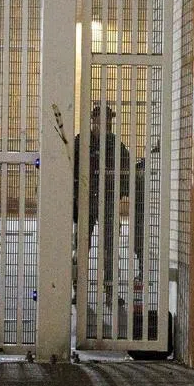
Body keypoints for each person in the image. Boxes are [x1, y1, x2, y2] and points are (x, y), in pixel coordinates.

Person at [73, 102, 132, 313]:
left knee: (110, 248)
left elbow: (126, 171)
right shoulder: (81, 142)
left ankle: (110, 292)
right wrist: (75, 196)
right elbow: (71, 168)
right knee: (81, 247)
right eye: (101, 119)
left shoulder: (115, 144)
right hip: (85, 201)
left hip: (107, 201)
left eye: (108, 120)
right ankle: (78, 290)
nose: (104, 124)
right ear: (93, 120)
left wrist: (118, 193)